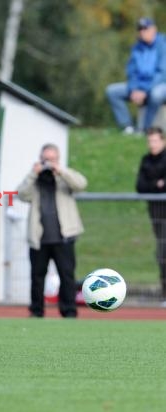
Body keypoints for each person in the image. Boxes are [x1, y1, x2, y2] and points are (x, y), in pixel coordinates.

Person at [16, 143, 87, 318]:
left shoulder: (64, 177)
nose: (49, 163)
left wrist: (60, 171)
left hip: (64, 236)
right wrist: (35, 173)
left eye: (52, 159)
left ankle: (69, 311)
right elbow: (21, 194)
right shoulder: (35, 179)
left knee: (67, 275)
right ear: (40, 159)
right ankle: (36, 311)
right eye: (46, 159)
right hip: (39, 237)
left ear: (58, 159)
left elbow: (81, 184)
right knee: (37, 277)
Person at [105, 17, 166, 135]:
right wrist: (134, 89)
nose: (142, 32)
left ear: (154, 29)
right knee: (112, 91)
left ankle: (146, 129)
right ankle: (127, 127)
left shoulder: (163, 46)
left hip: (160, 84)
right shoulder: (137, 48)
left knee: (156, 94)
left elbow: (162, 73)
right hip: (139, 87)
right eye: (140, 30)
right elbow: (131, 71)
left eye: (145, 29)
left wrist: (144, 90)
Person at [135, 127, 166, 304]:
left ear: (162, 141)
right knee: (162, 254)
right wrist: (157, 184)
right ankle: (164, 292)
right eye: (150, 141)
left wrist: (154, 185)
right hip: (156, 212)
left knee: (163, 252)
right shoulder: (146, 160)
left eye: (155, 141)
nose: (152, 144)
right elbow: (140, 186)